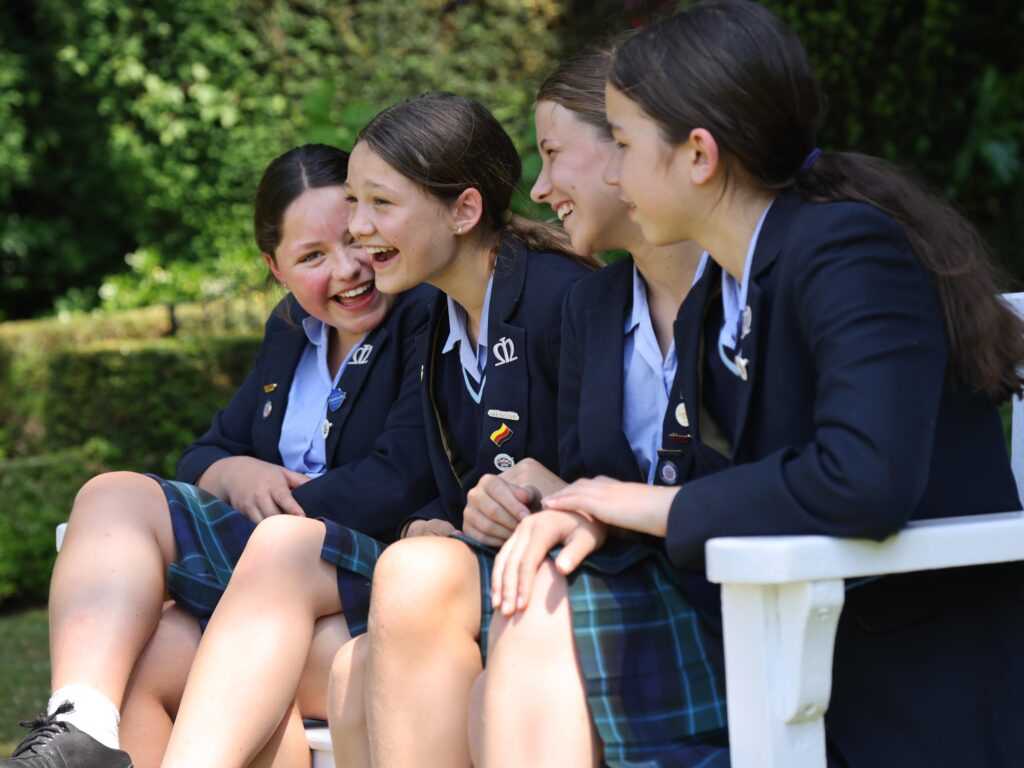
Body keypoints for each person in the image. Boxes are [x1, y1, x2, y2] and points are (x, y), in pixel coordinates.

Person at [490, 2, 1024, 767]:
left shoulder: (848, 248)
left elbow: (864, 479)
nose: (611, 173)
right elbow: (730, 477)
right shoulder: (727, 289)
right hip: (780, 651)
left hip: (909, 689)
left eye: (627, 146)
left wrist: (645, 502)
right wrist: (595, 514)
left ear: (699, 155)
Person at [155, 92, 597, 768]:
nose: (357, 229)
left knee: (330, 628)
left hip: (555, 586)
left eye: (377, 205)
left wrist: (522, 501)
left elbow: (605, 470)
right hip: (452, 570)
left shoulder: (558, 298)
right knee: (335, 658)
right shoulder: (448, 315)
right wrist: (434, 518)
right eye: (353, 202)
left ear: (465, 210)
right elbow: (455, 481)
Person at [1, 143, 438, 768]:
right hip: (271, 586)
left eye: (354, 238)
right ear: (276, 266)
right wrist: (236, 471)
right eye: (313, 256)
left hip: (366, 563)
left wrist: (259, 535)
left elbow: (400, 478)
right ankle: (81, 726)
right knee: (112, 499)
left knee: (242, 583)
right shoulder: (292, 329)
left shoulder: (424, 312)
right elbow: (205, 452)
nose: (348, 268)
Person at [352, 46, 728, 768]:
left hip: (718, 602)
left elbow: (814, 479)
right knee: (407, 583)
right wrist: (527, 494)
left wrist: (593, 502)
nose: (541, 184)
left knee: (437, 617)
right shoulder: (599, 301)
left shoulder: (760, 288)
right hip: (612, 576)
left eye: (556, 154)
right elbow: (580, 479)